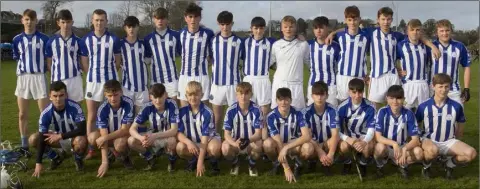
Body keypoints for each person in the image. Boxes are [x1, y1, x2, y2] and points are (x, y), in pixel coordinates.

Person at [417, 73, 477, 179]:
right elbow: (415, 125)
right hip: (430, 140)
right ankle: (426, 166)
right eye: (440, 86)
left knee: (471, 154)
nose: (443, 90)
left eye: (446, 87)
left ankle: (449, 165)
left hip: (448, 141)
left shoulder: (456, 106)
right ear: (433, 86)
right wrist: (421, 140)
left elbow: (460, 128)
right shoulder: (423, 106)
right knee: (432, 150)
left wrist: (456, 143)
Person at [83, 9, 122, 159]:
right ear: (92, 21)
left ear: (107, 21)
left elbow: (117, 61)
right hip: (93, 82)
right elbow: (85, 62)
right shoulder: (85, 40)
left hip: (110, 82)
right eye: (96, 20)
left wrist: (109, 75)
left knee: (112, 115)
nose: (99, 23)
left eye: (102, 20)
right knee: (92, 115)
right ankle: (91, 148)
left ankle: (113, 146)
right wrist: (93, 76)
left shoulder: (114, 39)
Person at [30, 81, 88, 177]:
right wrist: (38, 163)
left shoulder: (75, 107)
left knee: (81, 140)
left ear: (66, 95)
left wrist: (60, 136)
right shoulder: (45, 113)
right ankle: (55, 158)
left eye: (61, 95)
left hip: (73, 139)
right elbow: (41, 137)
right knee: (33, 139)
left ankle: (78, 159)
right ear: (50, 96)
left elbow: (82, 130)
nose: (58, 99)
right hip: (56, 140)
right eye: (55, 96)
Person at [12, 9, 50, 155]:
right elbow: (17, 57)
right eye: (26, 19)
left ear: (36, 21)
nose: (29, 22)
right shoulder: (16, 39)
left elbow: (48, 61)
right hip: (23, 78)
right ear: (22, 20)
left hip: (39, 77)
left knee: (44, 114)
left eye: (32, 20)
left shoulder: (44, 39)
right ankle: (24, 145)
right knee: (22, 114)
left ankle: (46, 144)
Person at [373, 85, 423, 179]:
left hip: (402, 147)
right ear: (387, 99)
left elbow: (415, 140)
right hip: (387, 147)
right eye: (392, 98)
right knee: (379, 147)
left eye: (398, 98)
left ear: (403, 99)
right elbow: (378, 137)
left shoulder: (409, 113)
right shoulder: (382, 112)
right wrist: (394, 143)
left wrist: (404, 149)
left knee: (419, 152)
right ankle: (380, 166)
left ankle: (402, 165)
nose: (395, 101)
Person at [263, 88, 312, 183]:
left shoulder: (299, 113)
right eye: (280, 99)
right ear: (276, 101)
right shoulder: (271, 116)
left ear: (291, 100)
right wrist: (287, 168)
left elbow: (306, 136)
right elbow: (278, 141)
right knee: (267, 144)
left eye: (286, 99)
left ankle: (298, 164)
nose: (283, 102)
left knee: (308, 147)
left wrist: (286, 148)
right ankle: (276, 163)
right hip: (278, 145)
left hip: (293, 145)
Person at [87, 80, 134, 178]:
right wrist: (104, 162)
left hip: (122, 135)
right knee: (92, 137)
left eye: (116, 95)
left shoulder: (128, 103)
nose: (113, 98)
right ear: (105, 95)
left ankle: (125, 156)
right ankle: (109, 155)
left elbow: (125, 130)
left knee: (120, 144)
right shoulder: (102, 108)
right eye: (109, 96)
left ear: (121, 92)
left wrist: (104, 138)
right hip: (109, 136)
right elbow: (103, 134)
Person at [128, 83, 179, 172]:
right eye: (155, 97)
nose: (158, 100)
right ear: (150, 97)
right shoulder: (146, 107)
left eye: (160, 96)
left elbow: (174, 130)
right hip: (152, 135)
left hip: (166, 135)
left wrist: (154, 136)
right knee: (131, 141)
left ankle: (172, 161)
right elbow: (132, 129)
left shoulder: (172, 104)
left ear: (166, 95)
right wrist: (141, 138)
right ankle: (150, 158)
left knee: (172, 141)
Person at [176, 81, 222, 177]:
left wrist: (200, 163)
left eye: (196, 94)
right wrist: (189, 143)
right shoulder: (181, 112)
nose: (193, 98)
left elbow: (204, 140)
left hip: (208, 141)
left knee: (214, 148)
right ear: (186, 96)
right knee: (180, 147)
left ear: (202, 95)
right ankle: (193, 160)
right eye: (190, 95)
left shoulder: (207, 112)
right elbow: (179, 133)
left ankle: (213, 163)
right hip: (192, 142)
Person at [325, 6, 370, 103]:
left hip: (359, 76)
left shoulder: (366, 36)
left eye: (355, 19)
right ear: (345, 20)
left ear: (359, 19)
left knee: (359, 105)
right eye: (349, 20)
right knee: (342, 105)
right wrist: (332, 33)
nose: (352, 23)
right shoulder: (339, 36)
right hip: (343, 76)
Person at [242, 16, 276, 141]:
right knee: (247, 111)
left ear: (264, 29)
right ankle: (249, 142)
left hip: (263, 80)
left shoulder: (271, 42)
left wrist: (299, 37)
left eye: (261, 28)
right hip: (248, 80)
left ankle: (263, 143)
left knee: (263, 113)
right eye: (255, 28)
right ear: (251, 29)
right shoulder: (244, 42)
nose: (258, 31)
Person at [210, 11, 244, 132]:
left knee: (234, 116)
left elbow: (244, 59)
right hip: (217, 84)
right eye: (222, 24)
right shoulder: (213, 40)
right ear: (218, 24)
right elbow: (209, 58)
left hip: (233, 84)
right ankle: (216, 139)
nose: (225, 27)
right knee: (217, 117)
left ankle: (234, 143)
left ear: (232, 23)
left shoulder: (240, 41)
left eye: (227, 24)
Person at [45, 9, 88, 104]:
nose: (66, 25)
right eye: (63, 22)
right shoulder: (51, 41)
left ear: (72, 22)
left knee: (76, 108)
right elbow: (49, 63)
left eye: (68, 22)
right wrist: (54, 77)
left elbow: (83, 62)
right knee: (58, 108)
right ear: (58, 23)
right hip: (57, 79)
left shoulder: (79, 41)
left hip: (74, 79)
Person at [222, 82, 263, 177]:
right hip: (235, 142)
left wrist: (248, 141)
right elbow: (226, 134)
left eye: (246, 93)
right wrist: (234, 143)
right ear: (236, 95)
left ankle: (252, 165)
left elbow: (258, 134)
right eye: (240, 93)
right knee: (225, 148)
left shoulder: (257, 110)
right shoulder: (230, 110)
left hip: (250, 141)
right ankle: (235, 163)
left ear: (251, 95)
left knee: (259, 145)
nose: (243, 96)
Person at [177, 3, 215, 108]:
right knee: (184, 110)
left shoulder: (208, 33)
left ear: (200, 17)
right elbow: (180, 52)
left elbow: (212, 56)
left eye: (196, 16)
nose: (193, 20)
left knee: (205, 110)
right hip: (185, 76)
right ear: (186, 18)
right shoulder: (181, 34)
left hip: (202, 76)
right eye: (190, 16)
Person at [337, 78, 376, 177]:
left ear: (363, 92)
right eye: (354, 92)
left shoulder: (370, 107)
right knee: (343, 146)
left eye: (360, 92)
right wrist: (348, 139)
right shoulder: (342, 107)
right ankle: (347, 163)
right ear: (349, 92)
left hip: (363, 137)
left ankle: (363, 163)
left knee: (368, 147)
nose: (357, 96)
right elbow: (337, 131)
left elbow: (372, 129)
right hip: (350, 138)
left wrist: (364, 141)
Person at [270, 15, 309, 110]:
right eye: (285, 27)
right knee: (278, 113)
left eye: (291, 27)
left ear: (295, 28)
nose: (288, 29)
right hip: (279, 83)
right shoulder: (276, 45)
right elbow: (271, 63)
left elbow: (309, 63)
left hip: (296, 85)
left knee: (298, 114)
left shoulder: (303, 44)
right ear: (281, 29)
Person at [302, 81, 340, 175]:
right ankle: (312, 161)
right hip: (313, 143)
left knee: (335, 139)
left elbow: (335, 135)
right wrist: (319, 152)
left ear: (327, 96)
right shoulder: (305, 112)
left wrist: (330, 154)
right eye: (316, 94)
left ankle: (327, 163)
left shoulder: (333, 110)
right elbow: (307, 137)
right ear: (312, 96)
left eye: (322, 94)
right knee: (307, 148)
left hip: (326, 143)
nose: (319, 98)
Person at [144, 7, 181, 102]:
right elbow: (147, 60)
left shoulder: (176, 35)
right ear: (153, 19)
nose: (160, 20)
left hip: (172, 79)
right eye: (157, 18)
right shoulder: (148, 38)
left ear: (167, 20)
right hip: (155, 79)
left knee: (174, 108)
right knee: (156, 109)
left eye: (162, 18)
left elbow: (183, 55)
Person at [430, 19, 471, 105]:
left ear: (451, 31)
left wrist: (466, 88)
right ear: (436, 32)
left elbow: (466, 67)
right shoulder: (430, 46)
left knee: (456, 117)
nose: (445, 33)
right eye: (441, 31)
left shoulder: (459, 46)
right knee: (434, 117)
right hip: (433, 89)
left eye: (447, 30)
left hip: (453, 90)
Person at [397, 19, 431, 111]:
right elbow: (392, 59)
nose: (415, 32)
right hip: (408, 84)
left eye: (417, 30)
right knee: (406, 113)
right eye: (412, 30)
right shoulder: (401, 45)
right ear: (407, 31)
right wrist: (397, 70)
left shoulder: (426, 46)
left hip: (423, 84)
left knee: (422, 114)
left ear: (421, 31)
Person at [307, 16, 341, 107]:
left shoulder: (336, 46)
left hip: (330, 86)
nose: (318, 30)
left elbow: (347, 29)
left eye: (321, 27)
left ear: (327, 28)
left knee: (332, 114)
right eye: (316, 28)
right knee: (312, 115)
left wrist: (333, 33)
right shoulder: (308, 45)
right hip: (313, 85)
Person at [120, 16, 149, 114]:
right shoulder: (120, 45)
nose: (131, 29)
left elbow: (147, 61)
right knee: (127, 117)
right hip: (127, 87)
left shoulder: (143, 44)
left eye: (134, 26)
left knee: (140, 119)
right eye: (129, 27)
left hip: (142, 87)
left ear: (138, 27)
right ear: (125, 28)